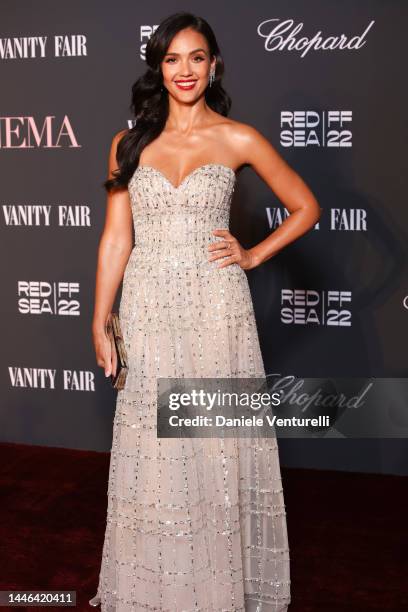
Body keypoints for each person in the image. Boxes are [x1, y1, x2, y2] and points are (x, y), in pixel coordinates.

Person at [90, 11, 321, 612]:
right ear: (158, 68)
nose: (184, 70)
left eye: (196, 57)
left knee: (214, 445)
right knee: (158, 450)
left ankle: (214, 589)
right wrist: (99, 317)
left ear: (214, 63)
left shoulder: (237, 137)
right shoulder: (130, 143)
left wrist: (252, 255)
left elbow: (305, 206)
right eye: (172, 59)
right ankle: (157, 586)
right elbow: (117, 238)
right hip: (145, 307)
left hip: (216, 309)